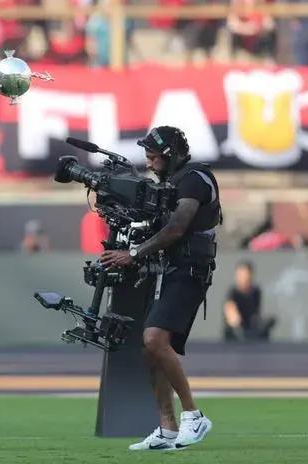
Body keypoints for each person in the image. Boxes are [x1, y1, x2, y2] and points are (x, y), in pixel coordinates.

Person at [99, 126, 221, 451]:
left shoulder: (194, 179)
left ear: (171, 155)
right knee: (149, 349)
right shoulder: (171, 183)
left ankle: (193, 416)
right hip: (171, 269)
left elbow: (177, 227)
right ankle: (166, 427)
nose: (150, 164)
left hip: (190, 270)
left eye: (153, 157)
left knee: (154, 339)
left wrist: (134, 253)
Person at [223, 261, 276, 341]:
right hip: (234, 339)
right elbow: (231, 315)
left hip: (252, 335)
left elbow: (255, 316)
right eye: (239, 275)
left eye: (245, 275)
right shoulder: (233, 293)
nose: (242, 278)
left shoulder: (256, 292)